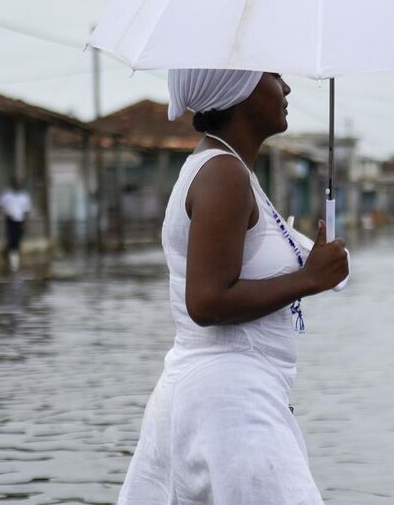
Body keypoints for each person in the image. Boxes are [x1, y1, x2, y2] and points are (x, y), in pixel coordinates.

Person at [118, 68, 351, 505]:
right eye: (273, 76)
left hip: (213, 392)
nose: (285, 88)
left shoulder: (228, 169)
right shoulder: (224, 173)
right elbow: (206, 302)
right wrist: (308, 279)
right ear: (238, 91)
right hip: (231, 401)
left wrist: (317, 262)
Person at [0, 178, 32, 266]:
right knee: (11, 238)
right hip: (10, 220)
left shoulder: (24, 196)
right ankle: (12, 261)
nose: (17, 185)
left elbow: (27, 210)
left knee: (17, 240)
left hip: (20, 221)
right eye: (16, 183)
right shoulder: (7, 194)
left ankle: (12, 257)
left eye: (19, 184)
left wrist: (25, 222)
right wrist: (5, 212)